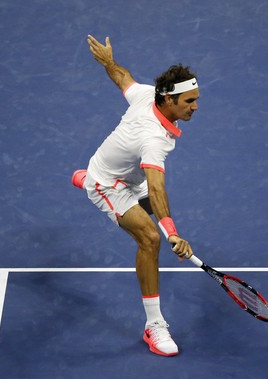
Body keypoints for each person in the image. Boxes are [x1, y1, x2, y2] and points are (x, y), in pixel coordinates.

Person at [71, 35, 199, 357]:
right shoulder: (153, 139)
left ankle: (85, 178)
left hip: (130, 176)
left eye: (196, 99)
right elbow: (157, 187)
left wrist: (108, 62)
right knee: (150, 238)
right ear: (169, 100)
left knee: (147, 213)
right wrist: (173, 234)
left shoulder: (147, 96)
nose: (195, 106)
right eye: (189, 102)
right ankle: (154, 326)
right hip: (110, 182)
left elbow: (122, 78)